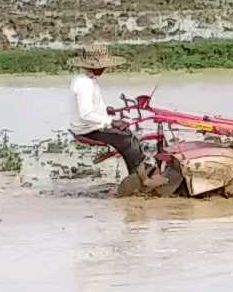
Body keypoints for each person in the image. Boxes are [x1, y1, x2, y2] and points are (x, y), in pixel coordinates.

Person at [67, 44, 165, 189]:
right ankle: (142, 180)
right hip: (88, 129)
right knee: (128, 140)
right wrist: (111, 122)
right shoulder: (85, 84)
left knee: (127, 135)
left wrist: (106, 110)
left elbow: (87, 106)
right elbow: (86, 114)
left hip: (88, 124)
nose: (105, 69)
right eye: (103, 66)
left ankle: (138, 173)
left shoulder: (85, 79)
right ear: (95, 66)